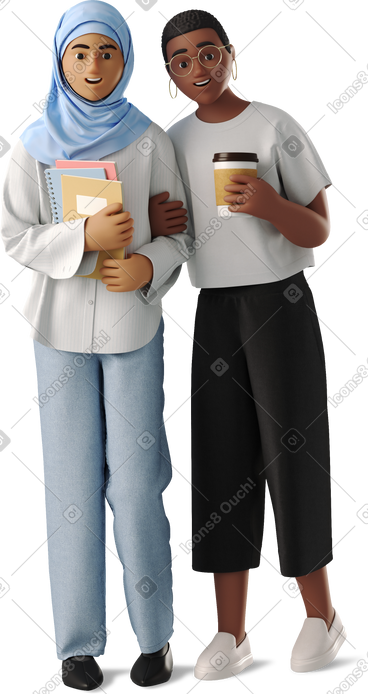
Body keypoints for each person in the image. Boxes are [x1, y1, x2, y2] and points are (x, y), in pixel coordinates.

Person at [0, 1, 192, 690]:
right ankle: (77, 645)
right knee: (72, 487)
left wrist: (148, 265)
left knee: (138, 484)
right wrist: (82, 240)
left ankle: (154, 637)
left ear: (126, 61)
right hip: (57, 333)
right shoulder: (33, 145)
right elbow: (15, 237)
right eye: (79, 53)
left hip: (133, 324)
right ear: (57, 58)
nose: (92, 66)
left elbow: (182, 231)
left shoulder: (149, 139)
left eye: (106, 53)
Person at [155, 7, 349, 681]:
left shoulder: (276, 124)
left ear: (232, 53)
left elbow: (320, 230)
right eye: (181, 61)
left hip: (281, 301)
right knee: (221, 458)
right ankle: (231, 633)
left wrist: (268, 205)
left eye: (208, 52)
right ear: (171, 78)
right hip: (211, 308)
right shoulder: (170, 141)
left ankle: (320, 614)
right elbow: (172, 240)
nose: (197, 68)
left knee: (292, 447)